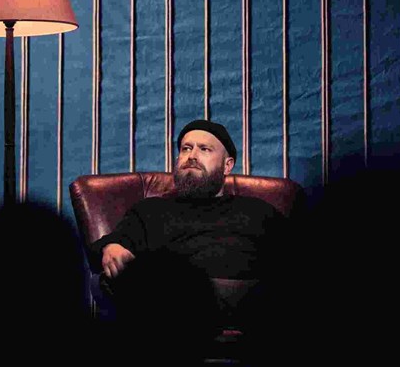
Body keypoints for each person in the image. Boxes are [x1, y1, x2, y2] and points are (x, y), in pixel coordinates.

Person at [88, 119, 288, 364]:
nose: (192, 156)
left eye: (204, 149)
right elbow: (111, 244)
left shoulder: (258, 212)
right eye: (186, 148)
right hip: (171, 310)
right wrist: (112, 247)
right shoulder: (150, 210)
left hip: (251, 306)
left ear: (227, 165)